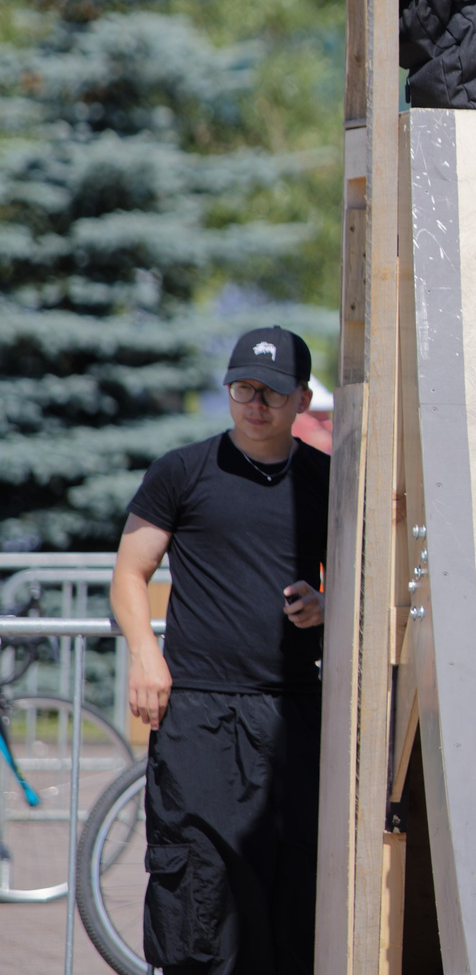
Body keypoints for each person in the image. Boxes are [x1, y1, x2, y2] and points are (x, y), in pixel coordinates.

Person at [109, 328, 330, 975]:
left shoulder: (329, 479)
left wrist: (327, 601)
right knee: (197, 892)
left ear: (302, 398)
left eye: (271, 391)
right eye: (242, 387)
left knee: (291, 895)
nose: (254, 402)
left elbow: (367, 574)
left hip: (294, 712)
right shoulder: (183, 470)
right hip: (199, 712)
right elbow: (129, 571)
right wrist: (147, 656)